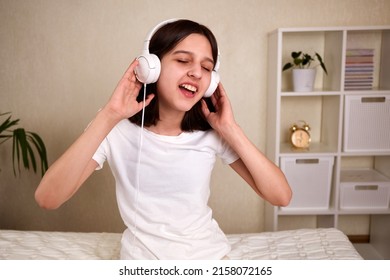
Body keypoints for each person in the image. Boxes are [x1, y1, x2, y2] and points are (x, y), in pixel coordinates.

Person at [35, 19, 291, 259]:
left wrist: (231, 129)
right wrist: (109, 116)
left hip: (209, 259)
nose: (197, 73)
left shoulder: (212, 134)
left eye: (206, 67)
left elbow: (281, 196)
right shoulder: (114, 129)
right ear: (151, 68)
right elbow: (48, 198)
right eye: (182, 60)